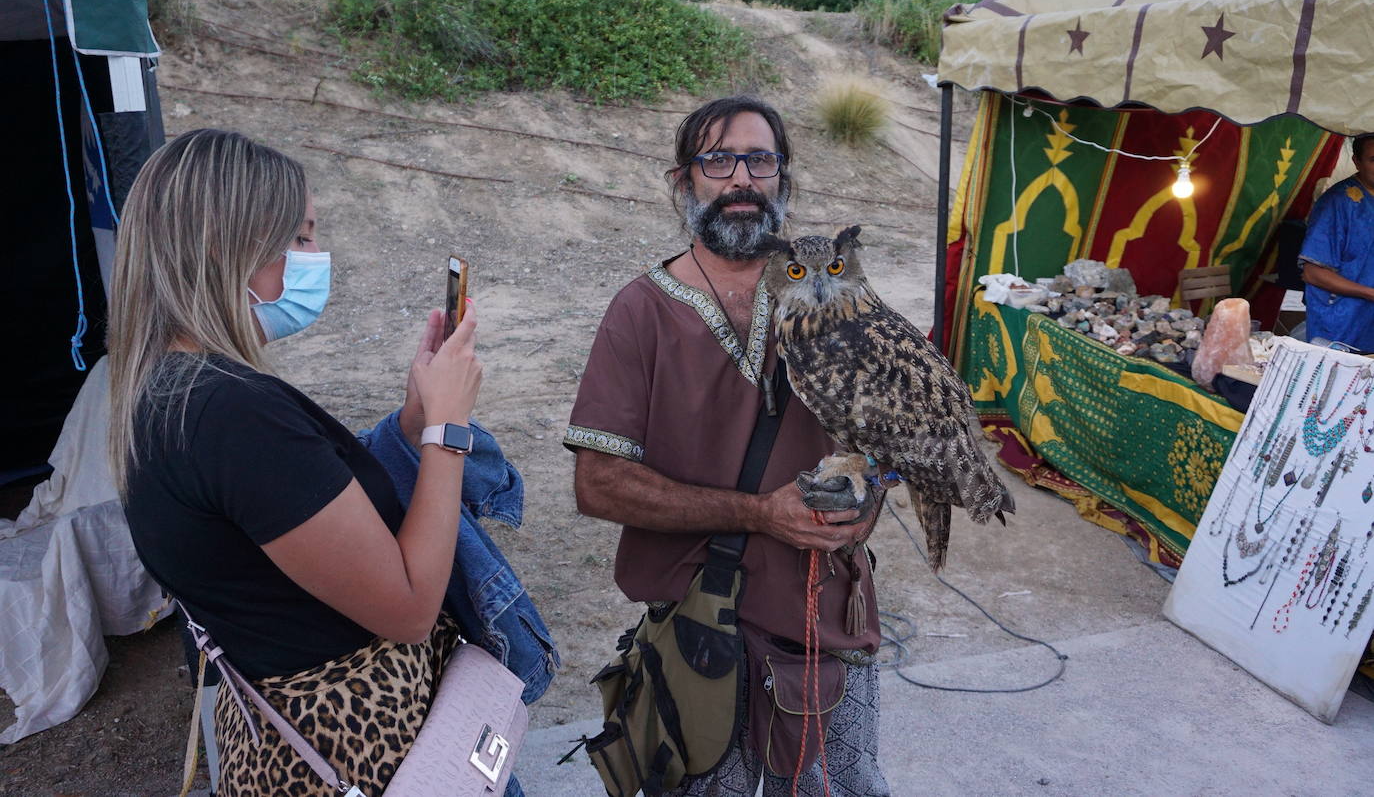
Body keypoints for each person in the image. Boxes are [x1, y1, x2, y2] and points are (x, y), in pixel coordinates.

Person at [109, 129, 493, 796]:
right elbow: (407, 608)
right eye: (303, 238)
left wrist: (412, 420)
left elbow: (303, 515)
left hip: (280, 731)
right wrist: (447, 430)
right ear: (222, 245)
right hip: (353, 747)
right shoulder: (228, 413)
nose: (317, 259)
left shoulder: (170, 392)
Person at [567, 96, 889, 795]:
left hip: (823, 626)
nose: (741, 177)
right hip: (700, 640)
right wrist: (758, 513)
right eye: (718, 159)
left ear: (784, 180)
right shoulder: (640, 312)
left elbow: (880, 443)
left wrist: (867, 503)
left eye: (760, 159)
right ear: (685, 183)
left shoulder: (835, 300)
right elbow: (598, 483)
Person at [1300, 132, 1374, 353]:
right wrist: (1370, 293)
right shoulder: (1336, 202)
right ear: (1356, 162)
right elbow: (1312, 273)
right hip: (1341, 323)